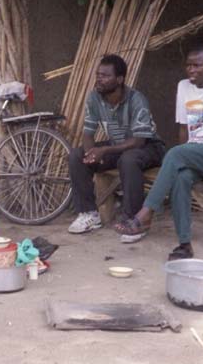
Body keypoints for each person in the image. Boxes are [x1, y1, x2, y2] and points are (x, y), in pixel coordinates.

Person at [116, 45, 203, 260]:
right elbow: (183, 129)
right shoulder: (184, 87)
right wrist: (182, 156)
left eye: (197, 65)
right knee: (180, 177)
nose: (191, 70)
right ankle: (184, 245)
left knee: (176, 154)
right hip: (194, 156)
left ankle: (145, 213)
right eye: (188, 65)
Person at [67, 54, 165, 242]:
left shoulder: (137, 100)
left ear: (119, 79)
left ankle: (134, 220)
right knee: (76, 156)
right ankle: (89, 214)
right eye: (98, 75)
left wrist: (103, 151)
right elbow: (88, 133)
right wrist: (90, 154)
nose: (99, 79)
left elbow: (138, 142)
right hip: (118, 146)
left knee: (128, 159)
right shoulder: (94, 98)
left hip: (150, 146)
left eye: (105, 76)